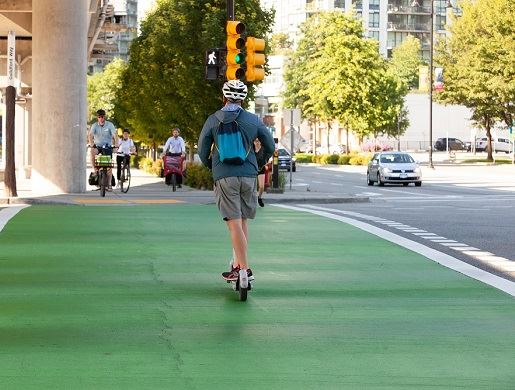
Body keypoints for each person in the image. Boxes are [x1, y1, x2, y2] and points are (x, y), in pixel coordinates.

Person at [198, 80, 275, 282]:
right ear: (243, 98)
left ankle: (244, 270)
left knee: (233, 224)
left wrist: (212, 167)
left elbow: (202, 150)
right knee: (242, 222)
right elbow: (269, 145)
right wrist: (257, 161)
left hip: (224, 176)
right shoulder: (253, 120)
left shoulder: (213, 120)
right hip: (249, 175)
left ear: (224, 97)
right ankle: (237, 265)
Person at [88, 109, 118, 191]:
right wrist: (91, 144)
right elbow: (90, 135)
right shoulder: (94, 125)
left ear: (104, 117)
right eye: (99, 117)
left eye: (102, 116)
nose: (101, 118)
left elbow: (115, 135)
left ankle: (109, 185)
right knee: (92, 151)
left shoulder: (110, 125)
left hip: (107, 146)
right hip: (98, 146)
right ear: (97, 117)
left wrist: (116, 145)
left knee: (109, 166)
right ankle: (95, 170)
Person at [254, 138, 268, 207]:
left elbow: (267, 157)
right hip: (253, 169)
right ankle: (251, 201)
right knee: (251, 187)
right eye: (255, 141)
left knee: (261, 187)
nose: (257, 142)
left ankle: (259, 197)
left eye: (258, 141)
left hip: (261, 168)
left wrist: (266, 164)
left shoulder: (263, 149)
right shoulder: (251, 150)